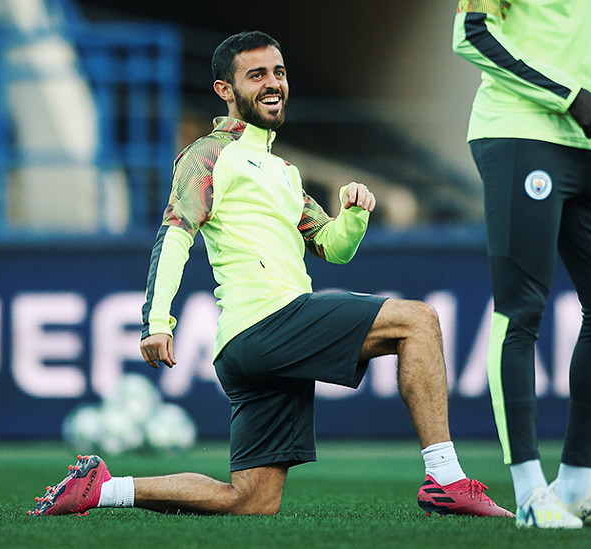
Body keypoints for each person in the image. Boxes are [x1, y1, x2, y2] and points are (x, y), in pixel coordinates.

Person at [28, 30, 512, 518]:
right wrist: (157, 322)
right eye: (256, 75)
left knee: (251, 501)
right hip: (268, 320)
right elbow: (175, 234)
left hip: (254, 345)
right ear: (225, 90)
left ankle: (101, 488)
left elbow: (331, 246)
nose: (272, 83)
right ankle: (447, 478)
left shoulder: (284, 171)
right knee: (418, 321)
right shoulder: (210, 154)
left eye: (278, 72)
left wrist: (355, 215)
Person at [453, 0, 591, 529]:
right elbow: (472, 32)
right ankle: (529, 492)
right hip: (520, 130)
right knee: (521, 310)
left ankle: (574, 487)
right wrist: (566, 94)